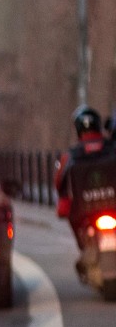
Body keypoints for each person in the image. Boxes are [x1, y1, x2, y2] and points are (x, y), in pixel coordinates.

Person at [54, 104, 113, 251]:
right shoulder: (111, 148)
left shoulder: (71, 155)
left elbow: (59, 181)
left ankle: (85, 250)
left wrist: (64, 200)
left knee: (75, 223)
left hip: (84, 212)